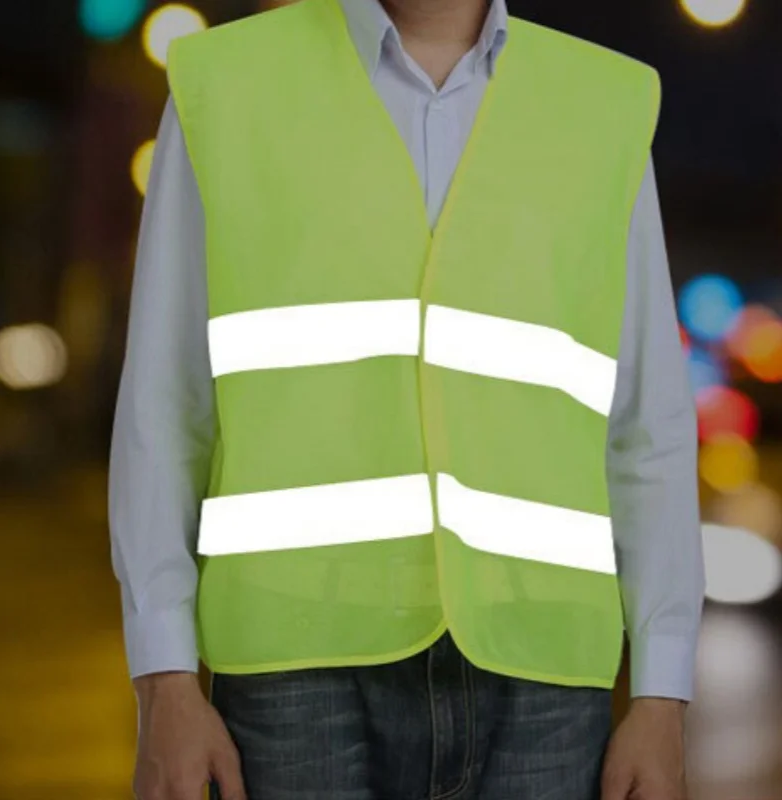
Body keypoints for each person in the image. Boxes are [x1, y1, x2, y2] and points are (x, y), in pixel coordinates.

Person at [108, 0, 705, 798]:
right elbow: (163, 405)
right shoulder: (227, 84)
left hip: (544, 669)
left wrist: (663, 694)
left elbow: (647, 428)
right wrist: (164, 683)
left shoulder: (605, 104)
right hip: (295, 665)